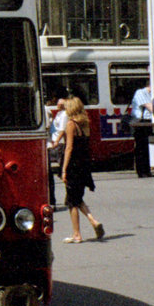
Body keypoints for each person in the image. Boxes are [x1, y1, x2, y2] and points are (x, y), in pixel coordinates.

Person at [61, 95, 106, 243]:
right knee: (77, 196)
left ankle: (77, 234)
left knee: (72, 201)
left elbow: (69, 148)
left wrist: (64, 169)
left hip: (73, 164)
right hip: (84, 164)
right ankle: (93, 221)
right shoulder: (85, 124)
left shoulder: (71, 124)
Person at [128, 84, 154, 177]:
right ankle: (141, 171)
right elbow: (150, 107)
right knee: (140, 147)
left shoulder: (151, 93)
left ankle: (146, 170)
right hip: (139, 122)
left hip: (147, 122)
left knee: (146, 147)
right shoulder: (140, 93)